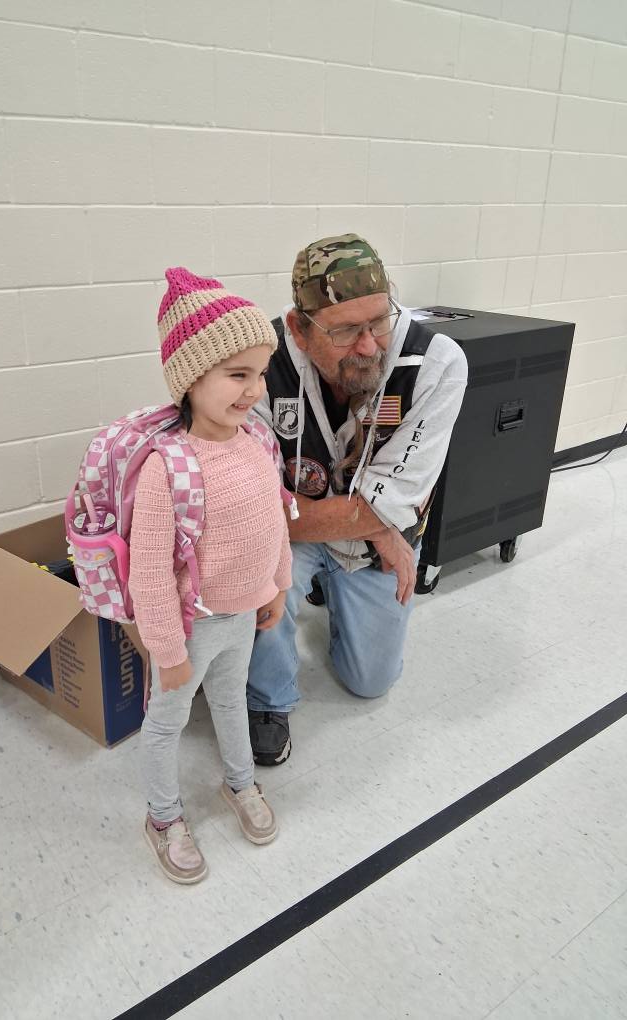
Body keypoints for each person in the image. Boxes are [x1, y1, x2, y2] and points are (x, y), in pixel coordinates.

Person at [247, 234, 468, 766]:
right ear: (300, 330)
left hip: (314, 521)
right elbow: (252, 511)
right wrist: (375, 524)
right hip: (294, 537)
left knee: (370, 682)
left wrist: (378, 521)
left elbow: (396, 502)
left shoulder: (436, 364)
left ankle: (335, 592)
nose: (369, 345)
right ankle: (268, 701)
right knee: (254, 570)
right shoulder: (260, 359)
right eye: (345, 331)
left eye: (378, 321)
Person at [129, 268, 292, 884]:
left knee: (230, 699)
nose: (253, 391)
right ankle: (164, 817)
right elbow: (148, 573)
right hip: (190, 627)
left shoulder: (255, 442)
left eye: (259, 374)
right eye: (236, 375)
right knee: (167, 720)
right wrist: (167, 651)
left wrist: (277, 584)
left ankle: (241, 783)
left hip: (244, 615)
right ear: (190, 379)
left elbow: (275, 520)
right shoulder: (165, 469)